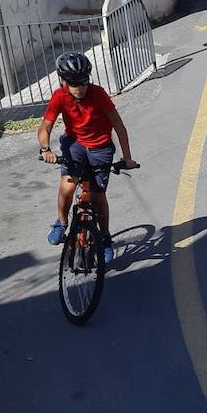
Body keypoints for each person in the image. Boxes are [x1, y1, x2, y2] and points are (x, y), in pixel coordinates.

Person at [38, 52, 136, 263]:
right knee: (68, 185)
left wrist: (127, 158)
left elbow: (119, 127)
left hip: (100, 148)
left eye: (83, 82)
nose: (80, 88)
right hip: (75, 145)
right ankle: (61, 223)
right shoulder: (59, 96)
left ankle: (105, 237)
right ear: (63, 81)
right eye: (74, 83)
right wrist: (45, 149)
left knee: (98, 197)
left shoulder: (99, 94)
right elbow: (45, 127)